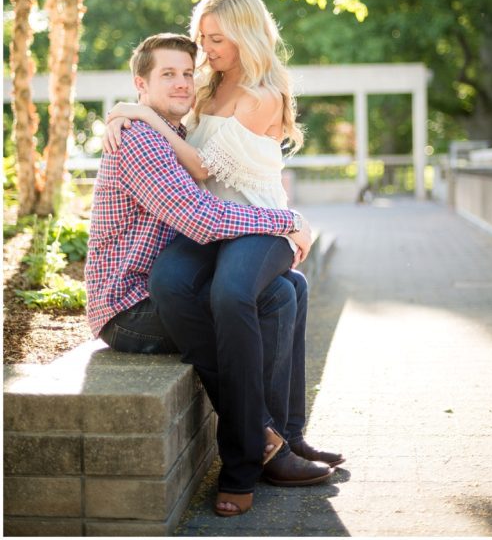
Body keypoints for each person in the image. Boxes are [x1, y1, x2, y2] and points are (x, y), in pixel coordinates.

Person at [91, 26, 332, 519]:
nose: (181, 83)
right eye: (167, 75)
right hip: (129, 307)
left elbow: (207, 186)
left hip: (167, 287)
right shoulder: (138, 140)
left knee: (291, 288)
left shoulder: (171, 130)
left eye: (187, 72)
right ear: (141, 84)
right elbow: (202, 217)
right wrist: (288, 221)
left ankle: (283, 438)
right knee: (276, 298)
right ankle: (262, 442)